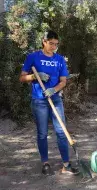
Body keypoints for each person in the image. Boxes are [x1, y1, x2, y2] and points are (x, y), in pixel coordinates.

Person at [20, 30, 78, 175]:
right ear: (44, 42)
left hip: (55, 99)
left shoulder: (59, 60)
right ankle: (45, 163)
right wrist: (34, 76)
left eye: (56, 44)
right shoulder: (33, 57)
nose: (53, 47)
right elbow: (22, 78)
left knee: (61, 131)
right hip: (39, 100)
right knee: (42, 133)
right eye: (51, 43)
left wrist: (54, 89)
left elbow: (63, 81)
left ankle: (66, 164)